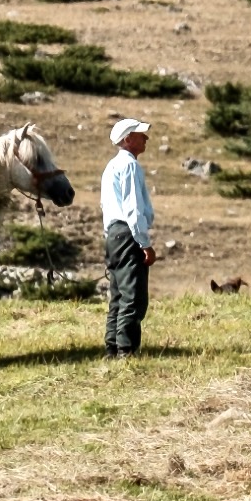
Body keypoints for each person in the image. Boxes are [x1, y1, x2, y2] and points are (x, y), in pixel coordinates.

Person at [101, 118, 156, 357]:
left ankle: (112, 346)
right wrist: (144, 242)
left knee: (118, 294)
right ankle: (127, 350)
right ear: (128, 139)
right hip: (128, 233)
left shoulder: (111, 166)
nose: (146, 138)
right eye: (140, 134)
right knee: (133, 295)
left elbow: (106, 206)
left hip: (114, 235)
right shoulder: (130, 166)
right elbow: (133, 208)